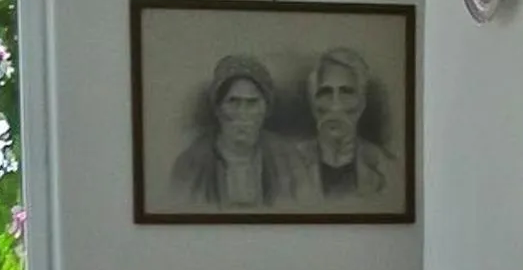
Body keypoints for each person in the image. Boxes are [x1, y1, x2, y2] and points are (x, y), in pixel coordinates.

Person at [168, 56, 300, 210]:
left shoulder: (289, 160)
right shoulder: (190, 165)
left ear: (266, 109)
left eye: (252, 103)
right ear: (218, 109)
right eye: (233, 102)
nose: (242, 113)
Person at [290, 47, 402, 205]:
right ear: (313, 104)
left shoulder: (386, 168)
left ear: (361, 104)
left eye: (346, 93)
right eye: (326, 92)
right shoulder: (288, 164)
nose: (336, 106)